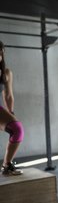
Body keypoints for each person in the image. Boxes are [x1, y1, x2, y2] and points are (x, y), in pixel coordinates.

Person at [0, 41, 24, 175]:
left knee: (17, 128)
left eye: (0, 53)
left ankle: (6, 165)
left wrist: (11, 112)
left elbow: (8, 95)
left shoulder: (6, 73)